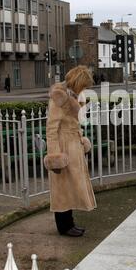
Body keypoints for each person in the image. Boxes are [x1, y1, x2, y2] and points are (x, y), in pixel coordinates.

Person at [44, 65, 96, 237]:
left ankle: (69, 223)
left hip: (73, 145)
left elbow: (74, 123)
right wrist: (55, 156)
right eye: (84, 85)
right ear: (77, 82)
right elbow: (51, 128)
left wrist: (81, 140)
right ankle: (64, 226)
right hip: (63, 147)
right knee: (62, 189)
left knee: (71, 187)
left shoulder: (73, 96)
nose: (85, 89)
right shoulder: (59, 97)